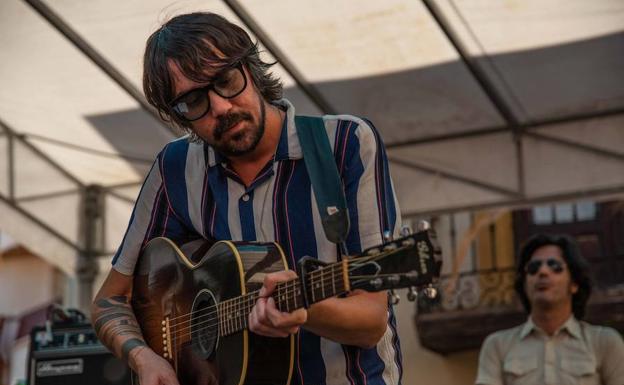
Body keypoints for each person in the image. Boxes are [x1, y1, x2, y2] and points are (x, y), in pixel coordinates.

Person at [91, 12, 403, 385]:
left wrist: (304, 309)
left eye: (225, 80)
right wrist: (144, 359)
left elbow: (372, 321)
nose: (221, 107)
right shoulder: (174, 171)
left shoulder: (344, 145)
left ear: (251, 69)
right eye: (193, 102)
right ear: (180, 117)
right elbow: (109, 300)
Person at [475, 233, 624, 385]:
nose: (543, 272)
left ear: (574, 284)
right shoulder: (498, 345)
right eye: (533, 267)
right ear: (525, 284)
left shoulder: (604, 343)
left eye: (554, 266)